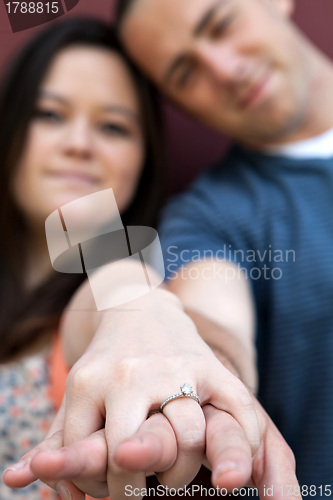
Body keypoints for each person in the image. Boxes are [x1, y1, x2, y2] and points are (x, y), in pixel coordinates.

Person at [3, 6, 302, 500]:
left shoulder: (122, 276)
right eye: (50, 114)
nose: (79, 144)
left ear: (144, 158)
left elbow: (120, 293)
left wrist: (141, 312)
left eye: (114, 127)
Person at [113, 0, 333, 493]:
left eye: (223, 24)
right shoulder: (208, 217)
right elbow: (213, 323)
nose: (226, 69)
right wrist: (196, 366)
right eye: (184, 73)